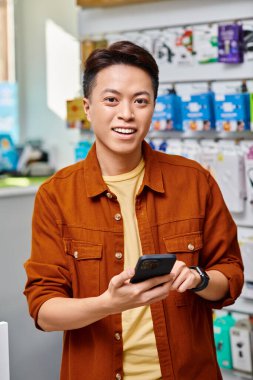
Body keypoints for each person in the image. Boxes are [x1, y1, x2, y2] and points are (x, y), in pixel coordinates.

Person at [24, 41, 244, 380]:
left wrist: (198, 278)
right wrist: (109, 303)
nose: (126, 113)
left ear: (153, 107)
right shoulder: (56, 195)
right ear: (87, 107)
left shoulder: (195, 181)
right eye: (111, 99)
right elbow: (44, 310)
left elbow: (229, 276)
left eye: (140, 101)